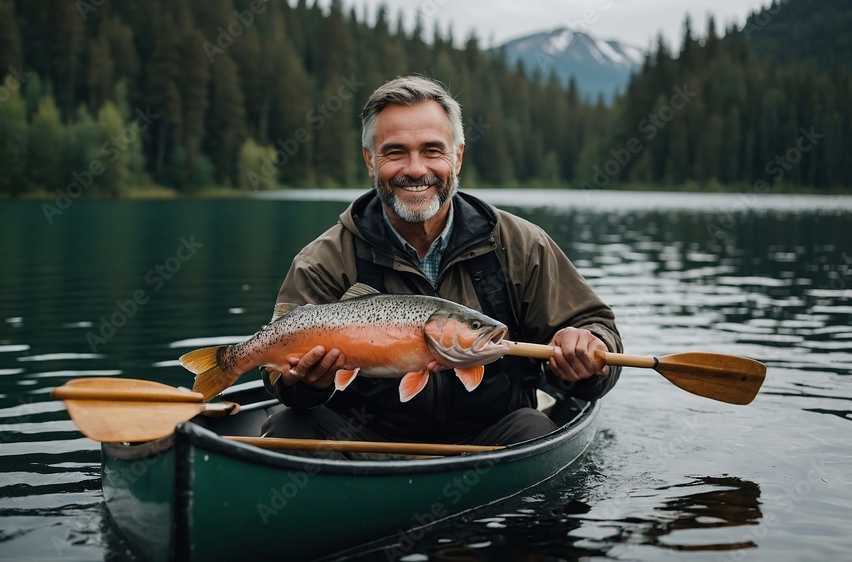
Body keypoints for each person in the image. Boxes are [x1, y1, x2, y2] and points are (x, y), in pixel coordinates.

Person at [260, 75, 621, 450]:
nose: (416, 169)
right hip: (363, 442)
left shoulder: (523, 246)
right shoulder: (322, 260)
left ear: (458, 156)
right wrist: (301, 382)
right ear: (370, 160)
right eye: (395, 152)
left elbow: (597, 330)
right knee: (288, 429)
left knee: (535, 429)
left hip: (493, 437)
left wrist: (588, 353)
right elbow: (278, 372)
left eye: (432, 150)